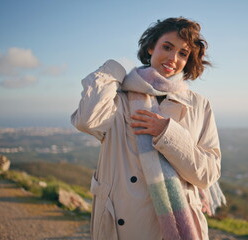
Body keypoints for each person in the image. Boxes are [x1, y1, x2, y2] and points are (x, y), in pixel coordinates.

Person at [71, 17, 225, 240]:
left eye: (183, 53)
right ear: (151, 47)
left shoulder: (198, 105)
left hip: (178, 226)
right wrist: (111, 69)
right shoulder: (119, 98)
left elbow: (207, 174)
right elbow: (87, 121)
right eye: (167, 47)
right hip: (122, 223)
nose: (173, 58)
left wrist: (168, 133)